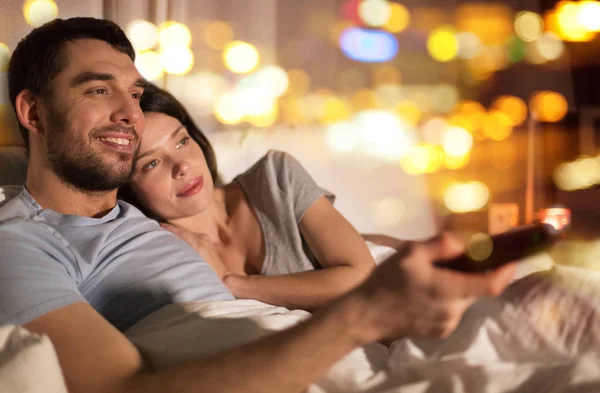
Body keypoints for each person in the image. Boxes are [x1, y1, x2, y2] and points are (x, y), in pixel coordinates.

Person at [0, 17, 516, 393]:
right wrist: (365, 315)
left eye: (135, 95)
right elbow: (125, 388)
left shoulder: (149, 216)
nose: (130, 115)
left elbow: (318, 249)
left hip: (332, 354)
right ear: (34, 112)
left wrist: (396, 256)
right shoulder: (18, 243)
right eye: (98, 89)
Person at [118, 83, 376, 310]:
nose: (181, 166)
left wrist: (235, 283)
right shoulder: (154, 248)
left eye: (181, 142)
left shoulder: (276, 178)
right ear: (129, 188)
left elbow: (362, 277)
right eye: (151, 164)